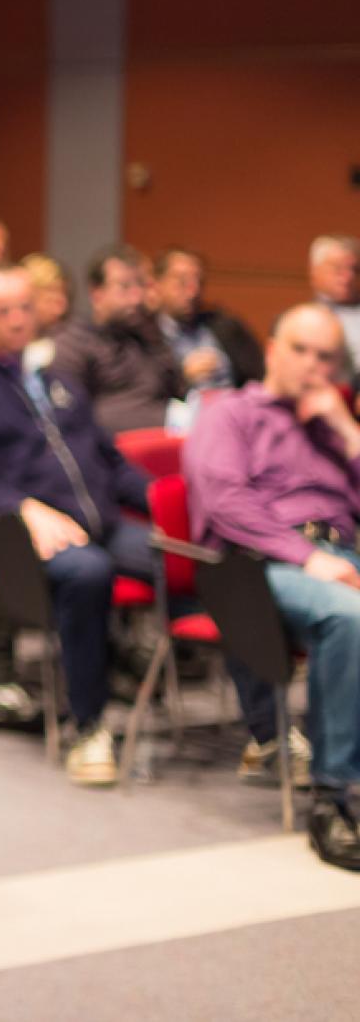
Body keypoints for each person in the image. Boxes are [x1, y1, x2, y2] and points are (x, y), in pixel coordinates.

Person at [0, 265, 157, 786]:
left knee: (191, 558)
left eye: (25, 308)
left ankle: (261, 727)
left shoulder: (57, 382)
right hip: (18, 540)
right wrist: (22, 508)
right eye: (3, 311)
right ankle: (87, 724)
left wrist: (162, 499)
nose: (17, 320)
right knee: (87, 573)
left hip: (103, 522)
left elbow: (107, 459)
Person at [183, 304, 360, 870]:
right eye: (301, 349)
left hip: (339, 551)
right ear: (273, 348)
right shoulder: (228, 412)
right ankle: (335, 798)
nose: (312, 365)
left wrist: (345, 428)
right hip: (261, 564)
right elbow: (227, 503)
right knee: (348, 616)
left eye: (326, 356)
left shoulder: (331, 424)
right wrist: (309, 557)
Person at [53, 244, 183, 437]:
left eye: (140, 285)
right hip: (113, 453)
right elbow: (71, 419)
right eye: (125, 287)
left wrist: (152, 322)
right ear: (96, 293)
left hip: (165, 443)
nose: (137, 297)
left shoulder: (146, 336)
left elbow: (175, 390)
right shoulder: (73, 343)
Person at [154, 246, 263, 394]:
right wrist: (182, 377)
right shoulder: (143, 336)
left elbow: (259, 377)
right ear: (157, 284)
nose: (193, 291)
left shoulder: (225, 326)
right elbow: (139, 397)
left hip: (231, 409)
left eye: (199, 281)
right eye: (182, 281)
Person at [308, 235, 360, 377]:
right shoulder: (302, 320)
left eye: (354, 269)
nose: (348, 276)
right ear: (314, 271)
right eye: (338, 268)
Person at [20, 252, 73, 374]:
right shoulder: (6, 346)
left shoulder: (71, 343)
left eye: (63, 294)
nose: (62, 307)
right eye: (50, 297)